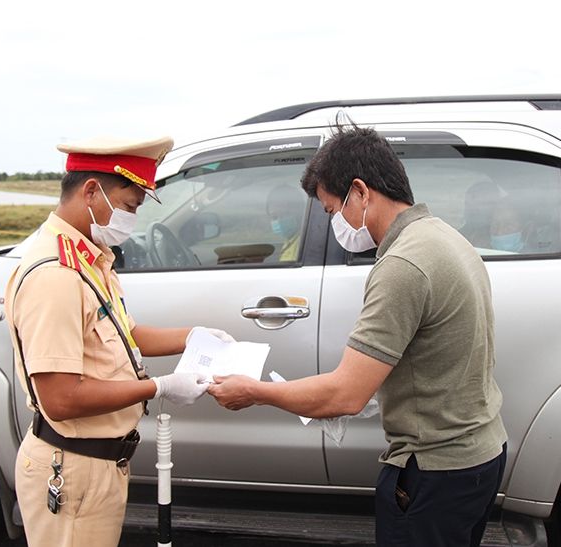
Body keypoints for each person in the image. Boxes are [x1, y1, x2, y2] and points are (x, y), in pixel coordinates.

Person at [208, 124, 508, 547]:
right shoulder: (445, 238)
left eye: (333, 211)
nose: (336, 224)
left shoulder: (403, 265)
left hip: (434, 471)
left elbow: (343, 396)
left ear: (361, 193)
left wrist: (255, 392)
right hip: (480, 456)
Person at [4, 136, 231, 547]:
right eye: (128, 207)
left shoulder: (88, 257)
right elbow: (60, 398)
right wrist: (159, 387)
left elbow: (123, 334)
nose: (131, 220)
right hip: (73, 466)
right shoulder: (56, 275)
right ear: (91, 191)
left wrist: (192, 336)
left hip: (96, 464)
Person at [266, 184, 306, 261]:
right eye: (274, 217)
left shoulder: (302, 243)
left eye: (284, 215)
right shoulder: (289, 241)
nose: (279, 221)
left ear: (298, 213)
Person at [459, 180, 501, 248]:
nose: (472, 209)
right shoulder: (459, 236)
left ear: (495, 205)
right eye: (467, 204)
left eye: (479, 204)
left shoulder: (502, 237)